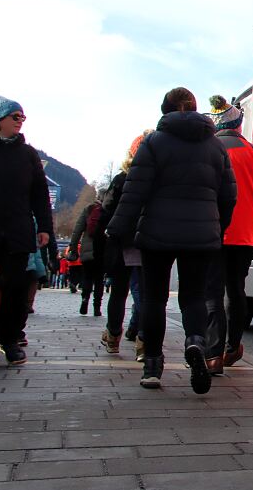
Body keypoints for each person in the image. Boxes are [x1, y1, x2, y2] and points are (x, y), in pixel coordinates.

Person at [107, 88, 237, 394]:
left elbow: (134, 191)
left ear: (165, 110)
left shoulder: (153, 142)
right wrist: (217, 226)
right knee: (193, 297)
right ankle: (195, 343)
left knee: (154, 298)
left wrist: (117, 228)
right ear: (194, 109)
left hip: (156, 233)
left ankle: (152, 364)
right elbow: (229, 195)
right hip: (201, 234)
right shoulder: (216, 147)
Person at [204, 96, 253, 374]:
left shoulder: (206, 150)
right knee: (235, 292)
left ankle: (213, 355)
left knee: (212, 293)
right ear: (238, 124)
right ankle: (232, 347)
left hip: (211, 234)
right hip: (244, 237)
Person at [0, 96, 54, 365]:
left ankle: (9, 338)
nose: (20, 122)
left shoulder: (27, 154)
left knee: (16, 286)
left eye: (22, 118)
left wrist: (44, 228)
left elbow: (40, 194)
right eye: (15, 117)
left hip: (18, 229)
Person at [100, 132, 149, 359]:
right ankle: (143, 342)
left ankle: (113, 337)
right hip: (149, 241)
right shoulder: (157, 179)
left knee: (119, 292)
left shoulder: (122, 178)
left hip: (123, 241)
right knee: (147, 293)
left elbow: (107, 209)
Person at [68, 195, 106, 317]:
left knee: (88, 276)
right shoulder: (109, 209)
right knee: (99, 279)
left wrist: (73, 248)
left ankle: (85, 300)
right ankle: (97, 307)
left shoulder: (89, 209)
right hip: (102, 250)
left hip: (87, 250)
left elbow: (77, 230)